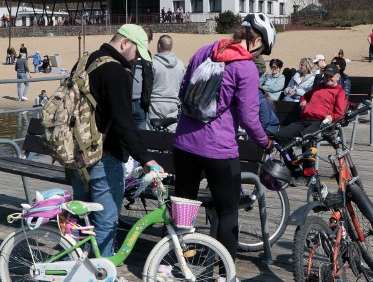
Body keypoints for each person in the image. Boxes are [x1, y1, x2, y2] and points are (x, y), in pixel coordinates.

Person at [173, 13, 274, 265]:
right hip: (219, 149)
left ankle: (178, 263)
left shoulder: (205, 50)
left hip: (184, 143)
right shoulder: (246, 67)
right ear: (257, 40)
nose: (258, 55)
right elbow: (250, 119)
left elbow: (183, 89)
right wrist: (266, 143)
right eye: (261, 50)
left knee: (183, 208)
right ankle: (223, 272)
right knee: (227, 212)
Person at [70, 23, 160, 258]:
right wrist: (146, 158)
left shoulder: (85, 61)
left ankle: (80, 270)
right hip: (104, 156)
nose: (135, 59)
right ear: (125, 43)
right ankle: (102, 273)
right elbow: (123, 122)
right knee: (105, 222)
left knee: (82, 220)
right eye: (136, 53)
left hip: (78, 153)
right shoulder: (116, 71)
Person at [273, 64, 347, 184]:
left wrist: (330, 116)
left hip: (321, 123)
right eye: (326, 75)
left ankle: (308, 173)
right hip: (304, 119)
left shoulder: (339, 91)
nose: (328, 78)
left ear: (337, 77)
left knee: (306, 137)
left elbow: (340, 113)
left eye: (331, 76)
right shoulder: (319, 87)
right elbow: (305, 96)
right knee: (280, 137)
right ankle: (295, 170)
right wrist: (303, 101)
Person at [147, 35, 185, 132]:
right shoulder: (180, 64)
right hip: (173, 104)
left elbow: (148, 85)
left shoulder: (153, 63)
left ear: (159, 45)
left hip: (156, 103)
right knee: (171, 136)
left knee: (153, 136)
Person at [131, 25, 154, 130]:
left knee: (141, 135)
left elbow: (148, 78)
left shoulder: (147, 54)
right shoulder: (129, 53)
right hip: (128, 101)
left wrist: (146, 100)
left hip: (140, 102)